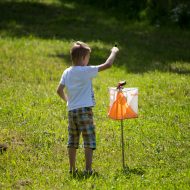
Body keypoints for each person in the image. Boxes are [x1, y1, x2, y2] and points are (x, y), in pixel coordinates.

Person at [57, 41, 119, 175]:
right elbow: (108, 64)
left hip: (71, 112)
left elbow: (59, 90)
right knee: (88, 139)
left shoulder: (66, 72)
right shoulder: (85, 71)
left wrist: (68, 101)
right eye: (88, 58)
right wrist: (113, 51)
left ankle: (72, 169)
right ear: (84, 58)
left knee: (73, 140)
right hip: (85, 111)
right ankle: (88, 169)